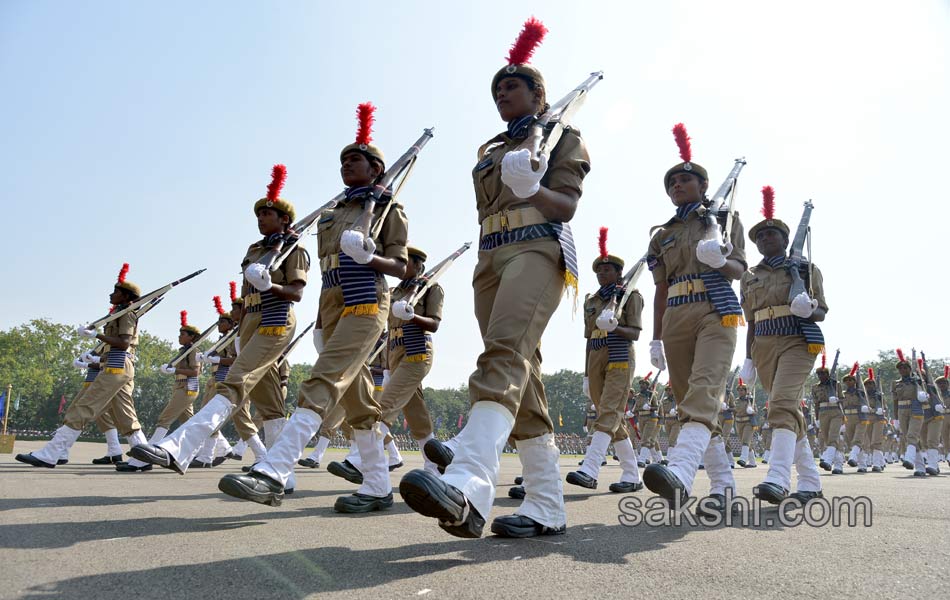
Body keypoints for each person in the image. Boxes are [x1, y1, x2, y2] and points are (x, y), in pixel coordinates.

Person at [399, 18, 590, 538]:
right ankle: (547, 505)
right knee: (522, 376)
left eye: (513, 85)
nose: (503, 93)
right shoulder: (489, 151)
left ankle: (470, 479)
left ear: (539, 93)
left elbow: (566, 206)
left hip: (538, 246)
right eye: (498, 89)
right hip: (491, 254)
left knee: (502, 352)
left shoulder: (561, 137)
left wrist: (532, 187)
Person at [218, 103, 408, 513]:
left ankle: (274, 469)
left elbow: (400, 265)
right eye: (342, 161)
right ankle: (377, 485)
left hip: (366, 302)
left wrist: (369, 256)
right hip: (334, 307)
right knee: (358, 403)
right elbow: (325, 275)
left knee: (322, 380)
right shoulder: (332, 214)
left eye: (354, 159)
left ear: (377, 168)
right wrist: (322, 320)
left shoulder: (387, 209)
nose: (345, 165)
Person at [130, 165, 308, 475]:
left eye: (268, 214)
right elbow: (246, 297)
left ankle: (179, 446)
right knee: (269, 406)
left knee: (234, 380)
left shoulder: (294, 250)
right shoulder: (255, 250)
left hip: (275, 320)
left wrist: (270, 284)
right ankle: (283, 471)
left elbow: (295, 292)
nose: (261, 218)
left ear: (284, 220)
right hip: (251, 324)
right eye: (259, 215)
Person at [640, 123, 745, 518]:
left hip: (716, 310)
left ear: (703, 186)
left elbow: (738, 268)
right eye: (672, 183)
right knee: (688, 401)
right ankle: (723, 486)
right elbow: (660, 288)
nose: (677, 186)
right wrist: (655, 337)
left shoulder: (723, 219)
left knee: (704, 390)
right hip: (676, 317)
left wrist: (721, 258)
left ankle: (682, 471)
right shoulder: (660, 235)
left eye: (685, 180)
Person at [17, 264, 149, 468]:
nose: (111, 294)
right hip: (117, 363)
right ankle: (142, 457)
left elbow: (123, 343)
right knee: (125, 415)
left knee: (85, 405)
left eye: (116, 292)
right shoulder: (119, 313)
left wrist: (96, 335)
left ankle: (52, 452)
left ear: (125, 297)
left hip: (117, 363)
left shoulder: (126, 314)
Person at [565, 233, 644, 493]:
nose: (602, 274)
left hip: (619, 355)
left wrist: (616, 327)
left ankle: (590, 467)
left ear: (619, 273)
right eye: (599, 270)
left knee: (609, 411)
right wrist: (587, 374)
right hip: (596, 356)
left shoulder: (630, 296)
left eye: (608, 270)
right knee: (609, 417)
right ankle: (632, 475)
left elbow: (634, 333)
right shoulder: (592, 300)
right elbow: (588, 339)